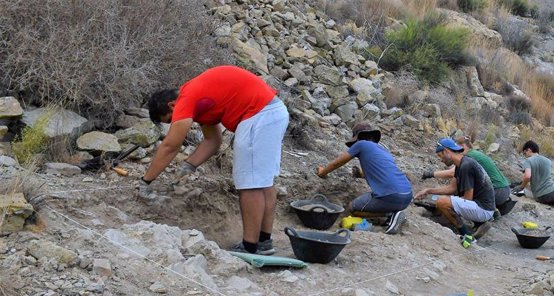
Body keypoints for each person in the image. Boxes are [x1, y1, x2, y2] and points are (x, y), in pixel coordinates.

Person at [139, 66, 289, 255]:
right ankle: (264, 242)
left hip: (258, 115)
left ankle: (250, 246)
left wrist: (146, 180)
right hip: (273, 111)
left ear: (171, 106)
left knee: (250, 184)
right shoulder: (202, 100)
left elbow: (170, 146)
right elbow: (213, 141)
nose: (174, 123)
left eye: (171, 120)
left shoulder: (187, 97)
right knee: (264, 180)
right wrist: (189, 165)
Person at [316, 123, 412, 235]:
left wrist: (323, 172)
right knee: (378, 199)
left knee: (353, 208)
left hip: (390, 195)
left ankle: (390, 215)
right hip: (407, 195)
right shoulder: (384, 151)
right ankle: (395, 213)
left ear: (357, 138)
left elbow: (337, 162)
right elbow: (380, 172)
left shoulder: (361, 144)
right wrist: (360, 174)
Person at [415, 138, 495, 246]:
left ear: (446, 151)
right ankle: (477, 223)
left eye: (440, 155)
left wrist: (446, 203)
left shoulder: (466, 166)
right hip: (483, 206)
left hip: (483, 209)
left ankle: (467, 234)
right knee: (445, 200)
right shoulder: (462, 164)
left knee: (442, 202)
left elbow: (467, 199)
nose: (440, 159)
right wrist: (428, 191)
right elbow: (451, 188)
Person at [421, 135, 515, 216]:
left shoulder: (469, 158)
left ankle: (486, 217)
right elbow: (453, 183)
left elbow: (451, 173)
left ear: (462, 146)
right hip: (504, 189)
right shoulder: (474, 154)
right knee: (460, 191)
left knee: (463, 194)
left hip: (498, 191)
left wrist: (430, 174)